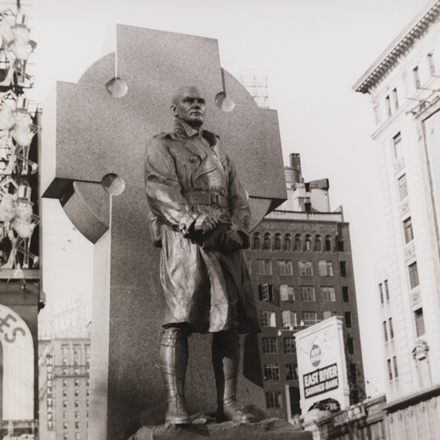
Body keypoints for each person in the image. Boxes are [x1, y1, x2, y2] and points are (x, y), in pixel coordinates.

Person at [144, 86, 261, 425]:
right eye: (188, 101)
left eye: (200, 101)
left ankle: (228, 404)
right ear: (174, 108)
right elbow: (158, 188)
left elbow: (239, 197)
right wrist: (192, 219)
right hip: (187, 239)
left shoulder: (219, 150)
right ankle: (175, 404)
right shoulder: (161, 143)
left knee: (229, 323)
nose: (196, 106)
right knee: (179, 319)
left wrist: (239, 228)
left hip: (224, 239)